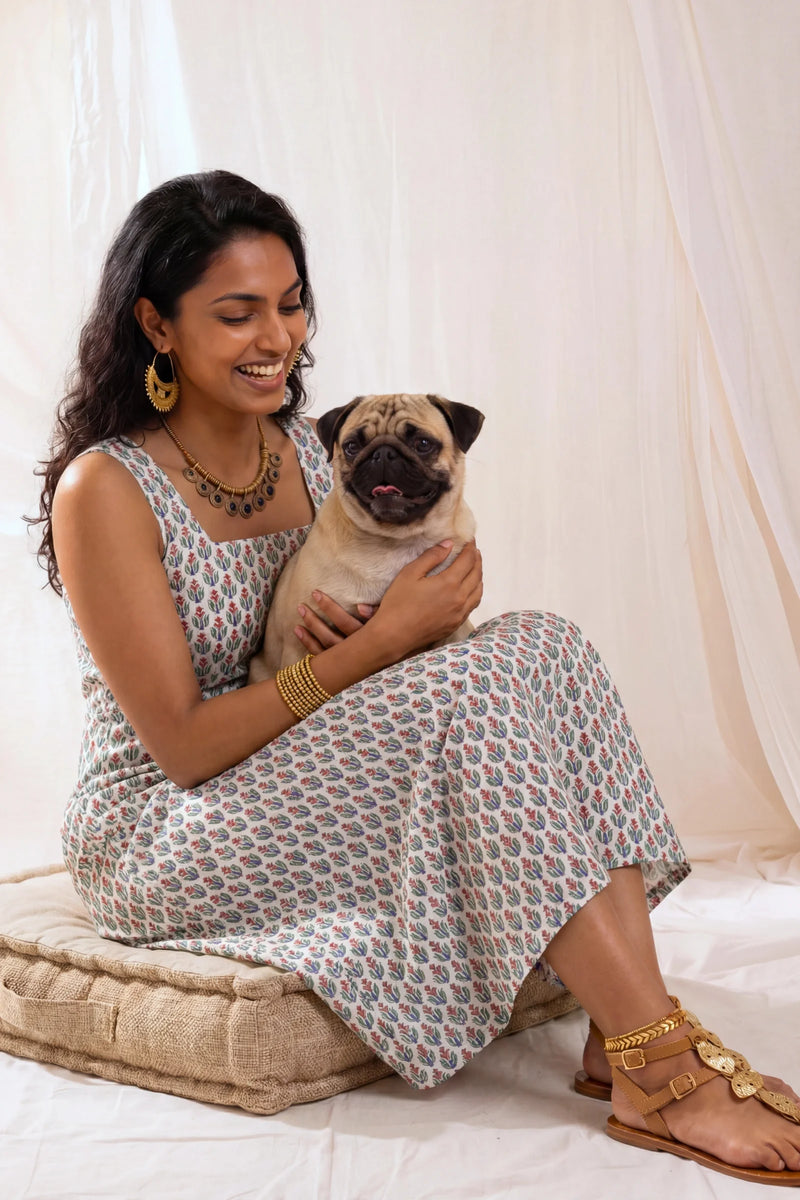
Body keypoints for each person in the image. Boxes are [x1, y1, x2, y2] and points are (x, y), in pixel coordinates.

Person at [32, 170, 800, 1185]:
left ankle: (622, 1037)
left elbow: (352, 636)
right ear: (156, 325)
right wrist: (374, 647)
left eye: (291, 303)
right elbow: (178, 744)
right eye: (235, 312)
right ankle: (657, 1063)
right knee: (468, 689)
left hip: (289, 765)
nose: (277, 336)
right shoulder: (107, 488)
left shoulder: (309, 454)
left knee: (540, 643)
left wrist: (376, 634)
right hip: (168, 828)